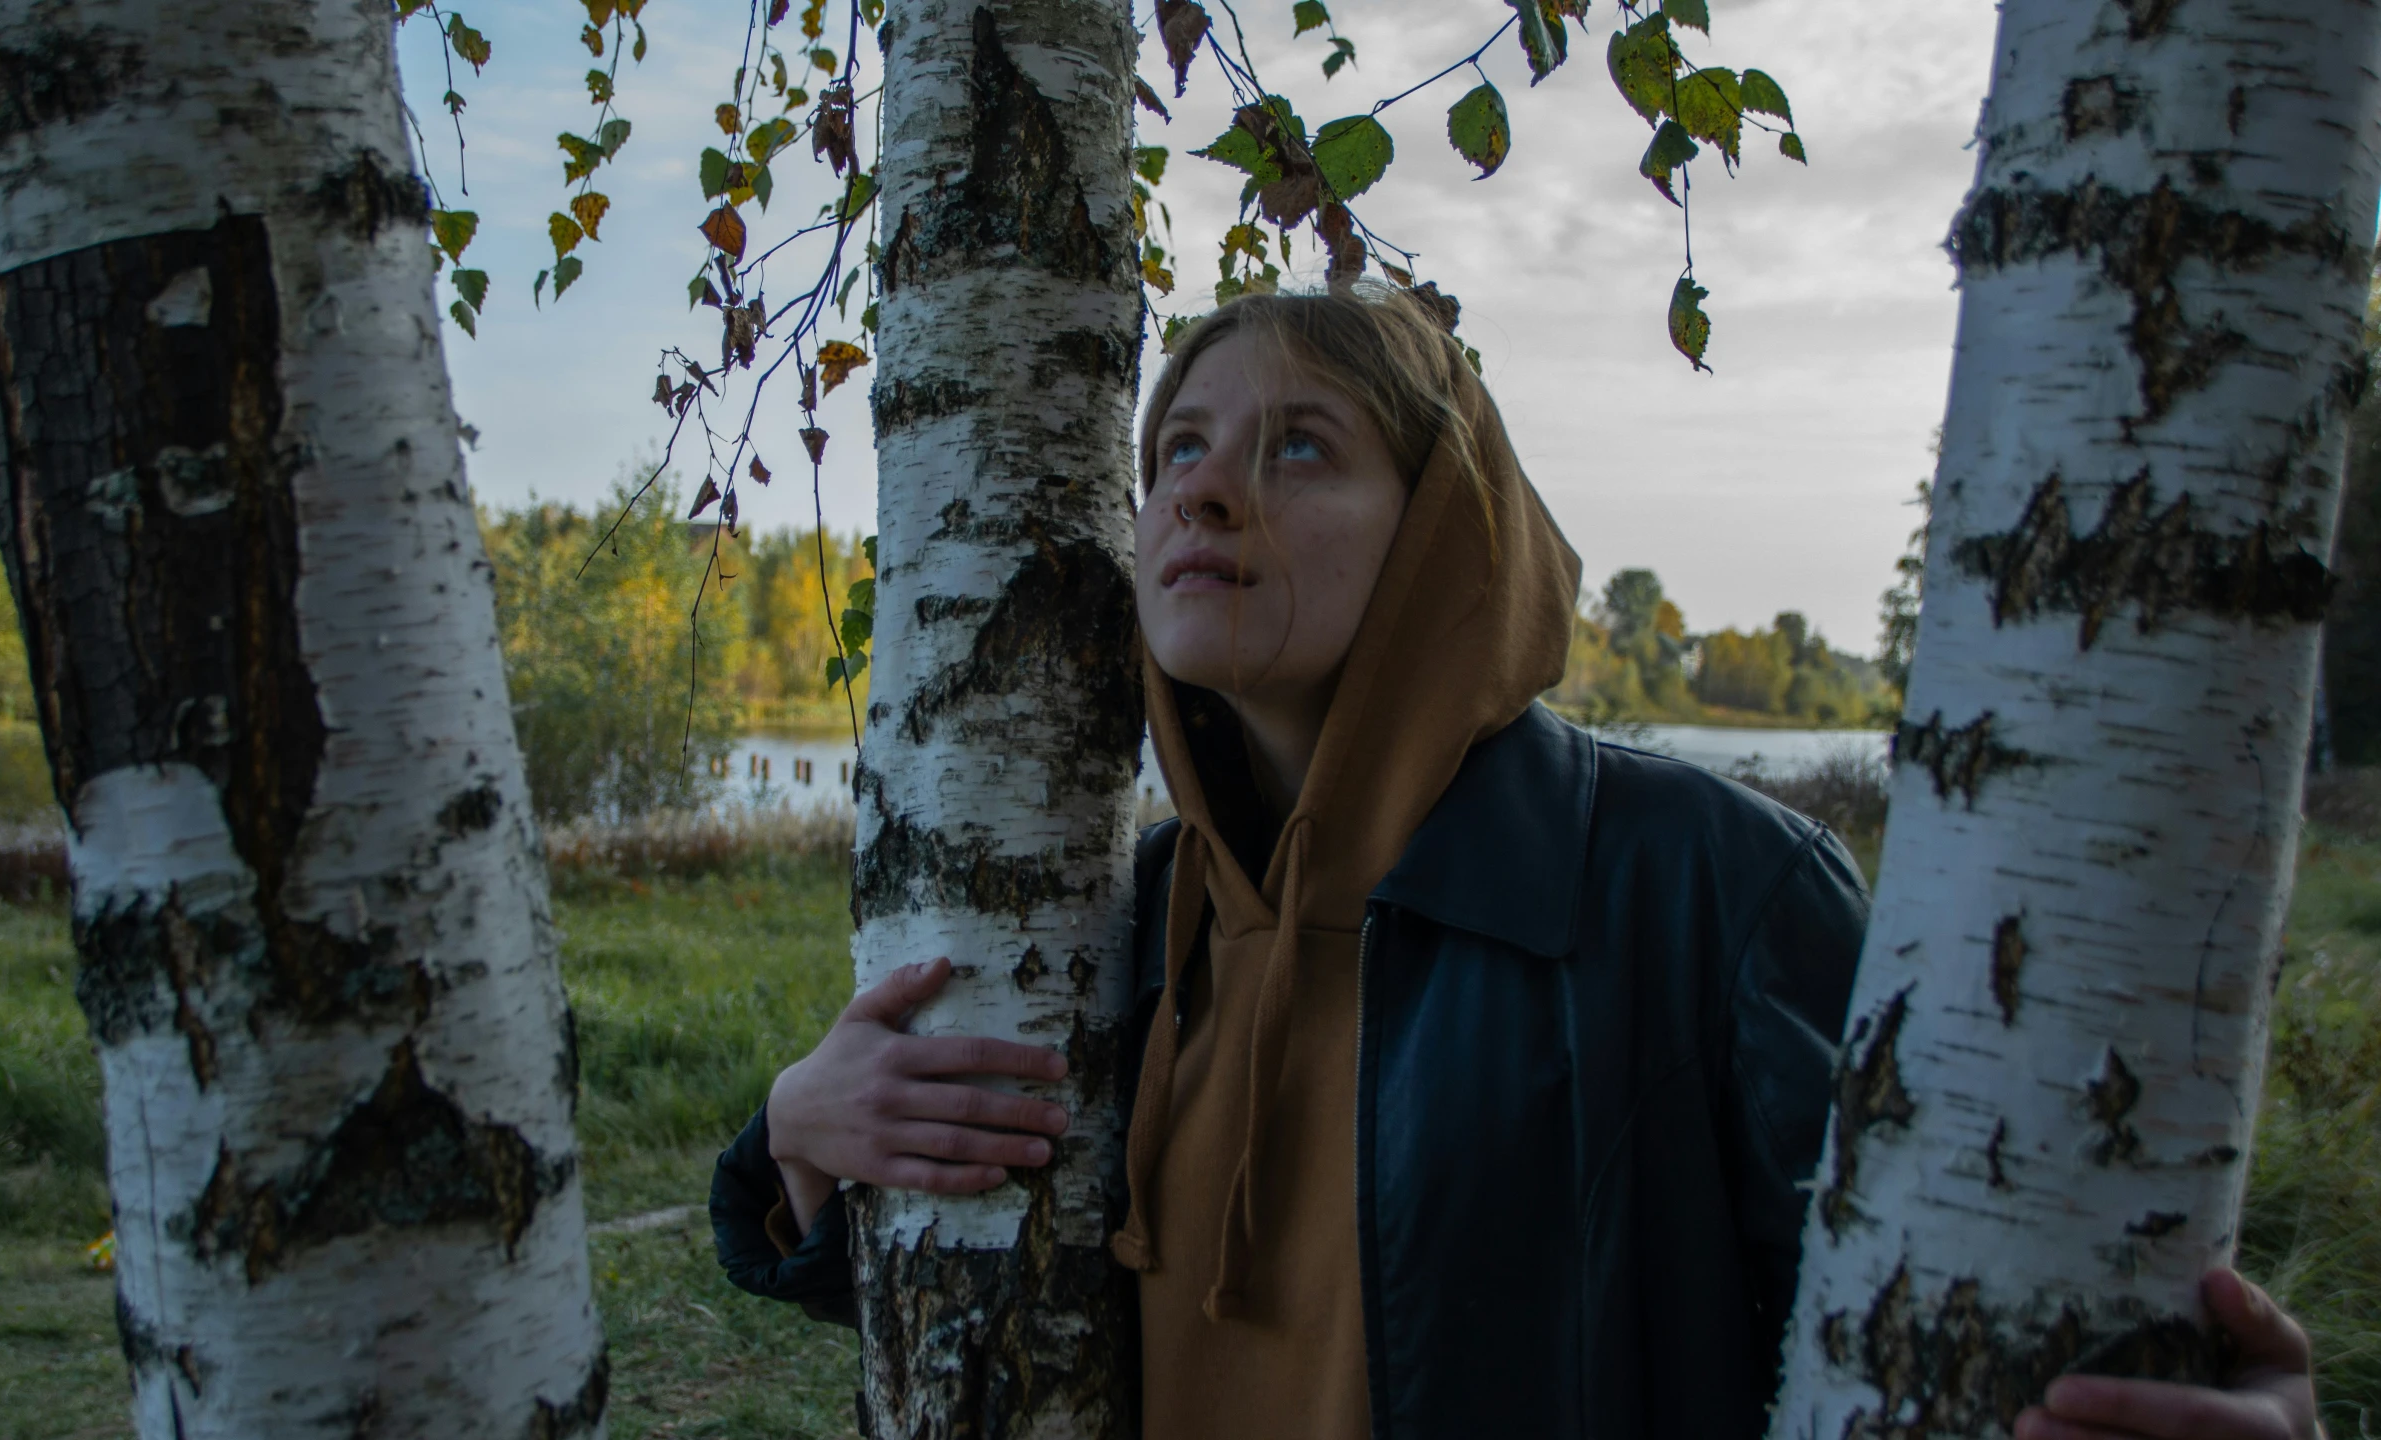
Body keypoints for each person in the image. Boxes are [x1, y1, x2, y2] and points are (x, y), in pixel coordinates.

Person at [708, 286, 2323, 1440]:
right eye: (1176, 448)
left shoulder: (1700, 890)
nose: (1196, 484)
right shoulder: (1122, 924)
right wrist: (793, 1151)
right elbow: (1020, 1309)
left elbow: (1976, 1314)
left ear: (1445, 536)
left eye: (1296, 449)